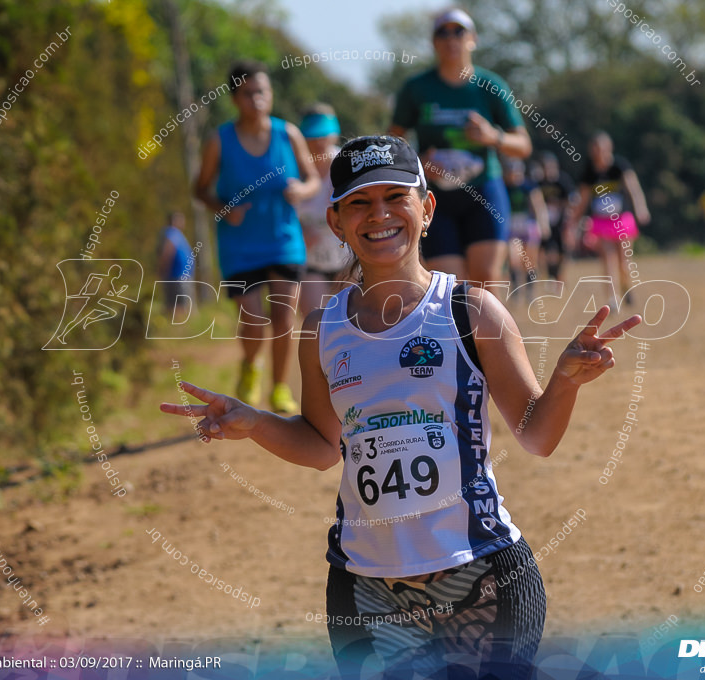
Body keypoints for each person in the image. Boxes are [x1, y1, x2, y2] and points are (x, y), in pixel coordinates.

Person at [163, 136, 641, 678]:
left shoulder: (473, 312)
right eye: (361, 203)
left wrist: (564, 382)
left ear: (426, 208)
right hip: (366, 588)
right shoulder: (322, 328)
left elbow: (536, 435)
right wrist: (255, 423)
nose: (380, 215)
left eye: (396, 197)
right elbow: (323, 447)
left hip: (481, 575)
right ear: (336, 220)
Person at [194, 61, 321, 413]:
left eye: (262, 91)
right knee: (252, 319)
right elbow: (200, 189)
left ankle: (280, 387)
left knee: (282, 318)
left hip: (283, 239)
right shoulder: (219, 140)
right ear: (235, 98)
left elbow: (312, 179)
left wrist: (301, 188)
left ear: (271, 94)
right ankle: (251, 367)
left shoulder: (288, 134)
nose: (257, 99)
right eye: (248, 93)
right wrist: (223, 207)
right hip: (240, 244)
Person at [389, 7, 532, 285]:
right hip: (435, 198)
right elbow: (393, 145)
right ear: (433, 42)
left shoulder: (491, 86)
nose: (451, 38)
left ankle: (489, 330)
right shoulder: (416, 88)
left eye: (459, 31)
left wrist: (494, 137)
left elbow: (523, 145)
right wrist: (418, 161)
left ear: (473, 39)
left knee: (486, 281)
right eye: (442, 32)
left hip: (484, 190)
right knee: (448, 286)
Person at [569, 131, 650, 306]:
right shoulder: (589, 172)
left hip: (622, 220)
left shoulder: (620, 166)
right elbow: (582, 199)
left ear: (609, 148)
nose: (598, 152)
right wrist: (573, 222)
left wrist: (641, 208)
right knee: (608, 259)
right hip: (601, 222)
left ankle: (626, 288)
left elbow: (633, 189)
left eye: (601, 148)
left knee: (624, 260)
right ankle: (612, 298)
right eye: (595, 148)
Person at [295, 104, 352, 317]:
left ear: (334, 134)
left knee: (354, 322)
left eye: (324, 135)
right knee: (316, 324)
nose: (319, 142)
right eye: (313, 136)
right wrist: (298, 232)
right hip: (311, 262)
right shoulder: (293, 168)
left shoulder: (346, 165)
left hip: (349, 259)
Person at [504, 157, 550, 296]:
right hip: (511, 228)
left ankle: (530, 290)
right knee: (514, 259)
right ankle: (516, 289)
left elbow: (538, 206)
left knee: (530, 261)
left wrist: (543, 225)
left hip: (528, 227)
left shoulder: (529, 186)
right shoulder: (504, 187)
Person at [537, 151, 578, 283]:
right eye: (545, 168)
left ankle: (558, 276)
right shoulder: (538, 182)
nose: (548, 171)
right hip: (544, 222)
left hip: (560, 221)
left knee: (562, 251)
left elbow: (573, 199)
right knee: (545, 251)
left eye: (550, 167)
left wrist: (569, 222)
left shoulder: (563, 180)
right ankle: (550, 275)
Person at [157, 211, 194, 316]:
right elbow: (167, 252)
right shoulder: (172, 233)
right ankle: (177, 329)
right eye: (181, 219)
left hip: (179, 276)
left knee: (178, 306)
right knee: (178, 307)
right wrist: (162, 269)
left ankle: (177, 328)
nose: (184, 222)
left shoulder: (176, 233)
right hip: (176, 276)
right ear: (174, 221)